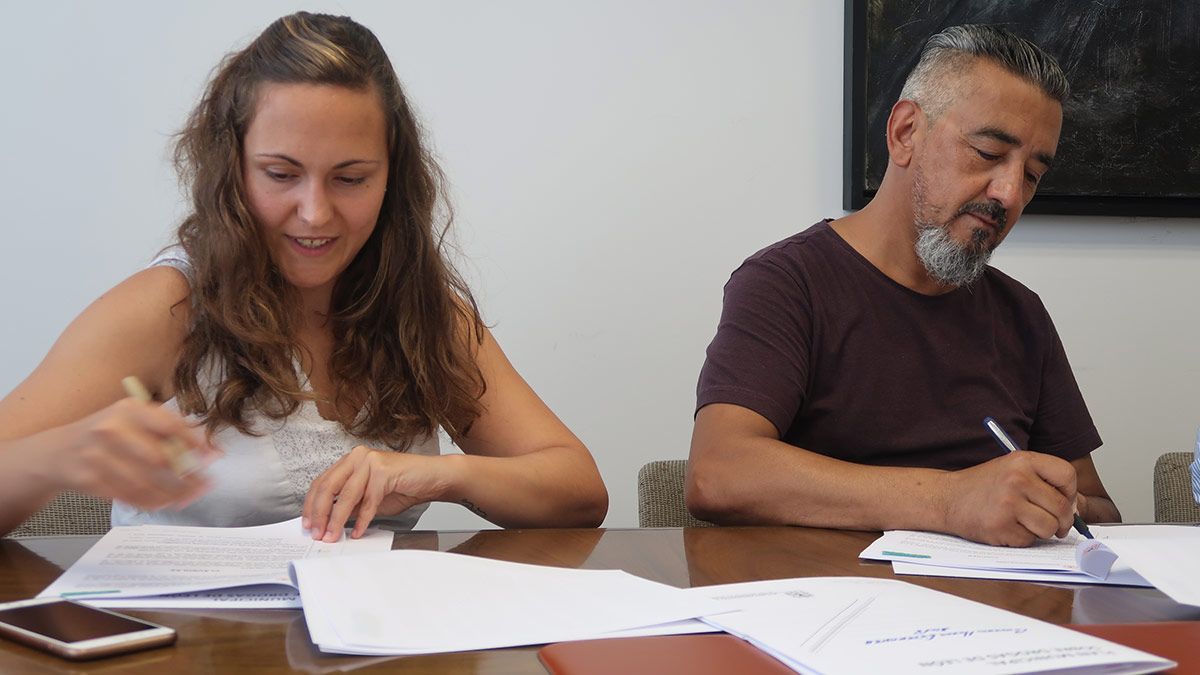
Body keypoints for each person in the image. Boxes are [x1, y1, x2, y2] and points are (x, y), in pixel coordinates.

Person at [0, 12, 607, 540]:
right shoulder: (167, 308)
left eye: (350, 178)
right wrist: (64, 455)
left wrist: (441, 475)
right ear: (231, 170)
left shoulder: (425, 313)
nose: (315, 213)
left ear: (393, 178)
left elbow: (579, 491)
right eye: (281, 174)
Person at [686, 25, 1120, 547]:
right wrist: (950, 500)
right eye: (986, 152)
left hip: (1002, 609)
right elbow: (719, 473)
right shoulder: (787, 283)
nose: (1008, 193)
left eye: (1032, 175)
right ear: (906, 132)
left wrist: (1050, 504)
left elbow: (1098, 507)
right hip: (829, 607)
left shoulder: (1021, 313)